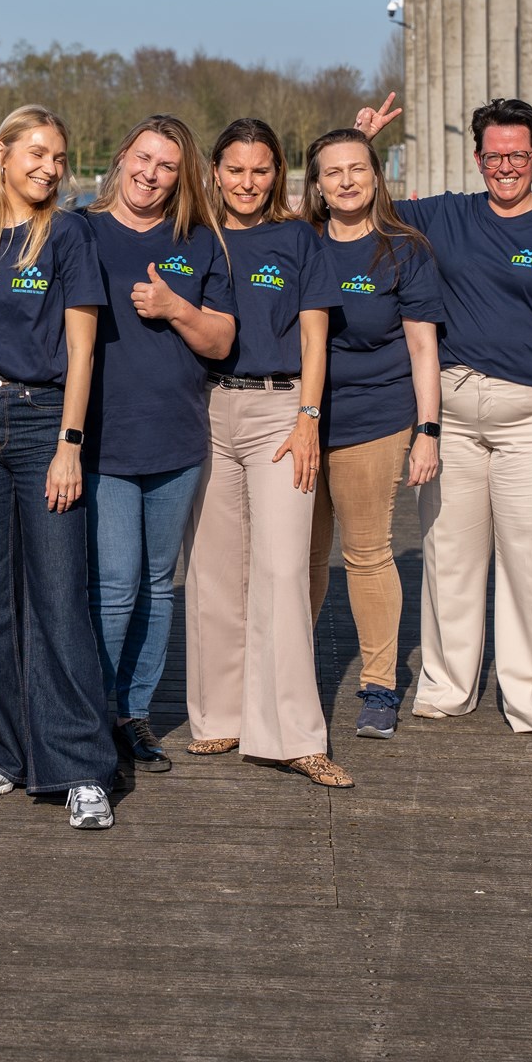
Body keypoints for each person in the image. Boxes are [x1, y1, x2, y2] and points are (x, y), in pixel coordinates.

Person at [359, 96, 532, 744]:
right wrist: (364, 145)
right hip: (453, 415)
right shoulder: (446, 215)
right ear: (478, 158)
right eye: (494, 156)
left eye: (518, 156)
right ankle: (447, 684)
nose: (506, 167)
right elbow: (368, 211)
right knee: (449, 554)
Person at [0, 104, 118, 829]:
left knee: (59, 593)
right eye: (36, 153)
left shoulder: (67, 235)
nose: (49, 168)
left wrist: (71, 442)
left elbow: (84, 349)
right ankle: (0, 749)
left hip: (45, 421)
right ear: (2, 154)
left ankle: (80, 766)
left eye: (58, 157)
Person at [182, 118, 351, 787]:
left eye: (260, 170)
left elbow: (316, 339)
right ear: (215, 171)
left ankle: (292, 736)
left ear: (278, 172)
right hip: (206, 410)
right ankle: (220, 717)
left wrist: (309, 417)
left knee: (282, 570)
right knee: (213, 570)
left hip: (281, 412)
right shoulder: (195, 236)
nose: (247, 182)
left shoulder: (298, 239)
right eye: (235, 169)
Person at [83, 116, 235, 776]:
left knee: (156, 584)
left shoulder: (199, 242)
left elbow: (221, 341)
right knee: (114, 585)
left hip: (175, 437)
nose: (150, 174)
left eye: (167, 165)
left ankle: (133, 713)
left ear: (182, 176)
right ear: (122, 157)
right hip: (102, 439)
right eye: (143, 158)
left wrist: (175, 307)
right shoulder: (78, 231)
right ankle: (91, 717)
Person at [299, 127, 445, 742]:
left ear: (377, 176)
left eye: (358, 168)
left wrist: (428, 430)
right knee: (300, 558)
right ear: (316, 185)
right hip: (300, 424)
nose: (347, 181)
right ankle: (290, 676)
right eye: (333, 172)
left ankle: (380, 686)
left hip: (375, 419)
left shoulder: (402, 250)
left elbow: (423, 349)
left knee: (366, 553)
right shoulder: (299, 241)